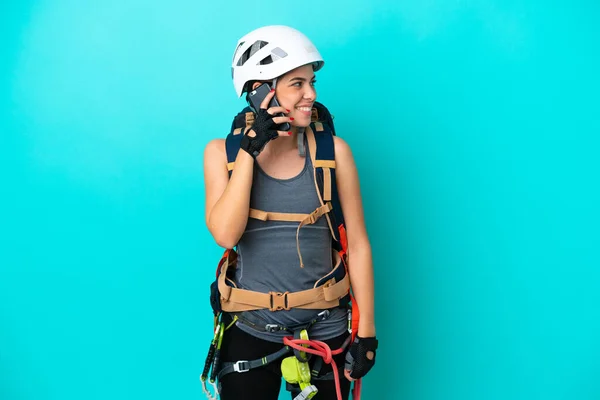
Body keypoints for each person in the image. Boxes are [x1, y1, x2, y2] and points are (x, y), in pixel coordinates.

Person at [203, 25, 378, 400]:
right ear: (261, 91)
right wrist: (249, 153)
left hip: (325, 327)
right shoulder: (222, 155)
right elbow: (226, 235)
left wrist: (367, 333)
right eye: (296, 84)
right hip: (250, 327)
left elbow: (359, 245)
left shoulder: (335, 154)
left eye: (311, 82)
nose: (311, 94)